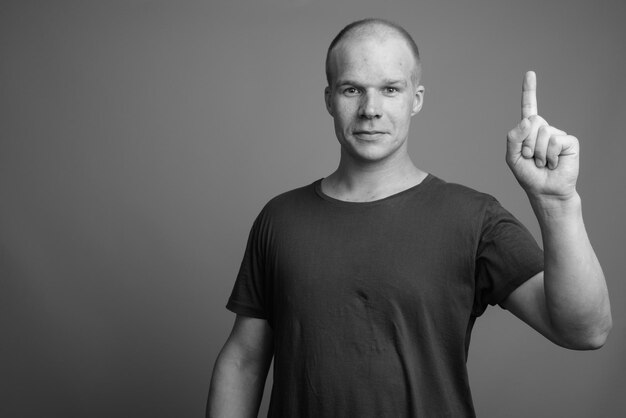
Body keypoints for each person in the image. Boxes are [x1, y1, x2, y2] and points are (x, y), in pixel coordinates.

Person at [206, 18, 612, 417]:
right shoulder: (280, 219)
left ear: (415, 99)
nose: (370, 110)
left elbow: (585, 330)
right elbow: (243, 360)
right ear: (329, 99)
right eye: (352, 89)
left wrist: (557, 202)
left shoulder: (472, 218)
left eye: (390, 89)